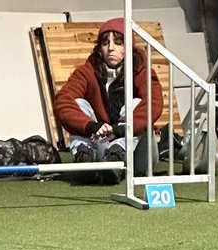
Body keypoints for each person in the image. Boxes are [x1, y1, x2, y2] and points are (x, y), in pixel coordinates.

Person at [54, 18, 164, 177]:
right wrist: (92, 126)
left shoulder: (142, 70)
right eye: (105, 43)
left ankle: (118, 154)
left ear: (129, 48)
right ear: (99, 49)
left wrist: (120, 130)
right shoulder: (86, 71)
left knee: (137, 103)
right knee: (78, 103)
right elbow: (62, 102)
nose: (111, 48)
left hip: (139, 155)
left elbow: (154, 104)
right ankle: (85, 158)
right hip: (103, 146)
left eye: (119, 42)